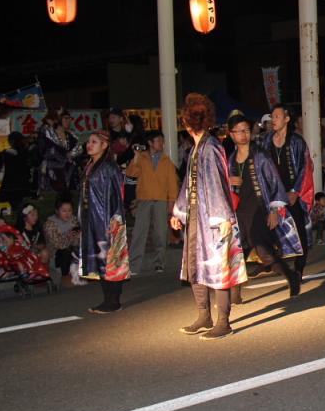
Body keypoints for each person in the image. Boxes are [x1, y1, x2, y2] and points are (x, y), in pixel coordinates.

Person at [171, 93, 248, 340]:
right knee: (195, 264)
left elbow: (217, 184)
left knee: (218, 265)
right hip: (198, 216)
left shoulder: (210, 147)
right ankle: (204, 315)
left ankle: (223, 321)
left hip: (213, 218)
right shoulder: (198, 147)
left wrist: (223, 217)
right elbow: (188, 184)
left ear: (188, 121)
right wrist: (179, 211)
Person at [227, 114, 301, 300]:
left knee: (262, 248)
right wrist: (228, 181)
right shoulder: (231, 159)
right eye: (238, 131)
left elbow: (274, 182)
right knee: (239, 250)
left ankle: (290, 275)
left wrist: (275, 210)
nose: (243, 134)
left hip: (259, 209)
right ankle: (235, 291)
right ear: (231, 135)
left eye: (246, 130)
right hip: (239, 211)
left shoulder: (260, 155)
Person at [258, 104, 314, 278]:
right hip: (273, 193)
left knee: (298, 229)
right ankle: (271, 261)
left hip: (291, 193)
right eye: (272, 117)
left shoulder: (297, 141)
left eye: (276, 116)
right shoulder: (265, 140)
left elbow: (305, 167)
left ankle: (298, 269)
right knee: (268, 228)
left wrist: (296, 191)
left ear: (286, 119)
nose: (272, 120)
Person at [77, 130, 130, 314]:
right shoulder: (91, 165)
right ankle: (108, 299)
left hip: (107, 219)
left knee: (111, 259)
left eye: (94, 142)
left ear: (104, 145)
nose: (89, 145)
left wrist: (115, 219)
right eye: (88, 142)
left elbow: (117, 194)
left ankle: (113, 301)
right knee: (101, 259)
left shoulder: (109, 167)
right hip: (93, 219)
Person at [124, 130, 178, 275]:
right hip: (144, 199)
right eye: (159, 140)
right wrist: (135, 158)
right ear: (150, 143)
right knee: (139, 233)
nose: (162, 143)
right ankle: (134, 266)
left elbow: (172, 184)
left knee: (161, 233)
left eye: (162, 140)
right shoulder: (141, 158)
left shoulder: (167, 161)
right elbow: (131, 174)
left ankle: (159, 263)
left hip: (161, 200)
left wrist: (171, 203)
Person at [36, 110, 78, 195]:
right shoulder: (47, 135)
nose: (69, 121)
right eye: (66, 118)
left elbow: (78, 152)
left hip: (69, 176)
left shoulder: (71, 136)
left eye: (70, 118)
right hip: (50, 174)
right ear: (56, 119)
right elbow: (42, 153)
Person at [43, 197, 82, 285]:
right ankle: (65, 277)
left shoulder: (73, 220)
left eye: (69, 210)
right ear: (57, 211)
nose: (67, 214)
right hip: (57, 254)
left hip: (72, 249)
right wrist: (69, 236)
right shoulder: (50, 224)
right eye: (64, 211)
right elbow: (58, 245)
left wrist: (78, 236)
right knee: (66, 251)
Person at [0, 132, 33, 213]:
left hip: (9, 186)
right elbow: (30, 169)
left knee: (16, 208)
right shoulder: (26, 153)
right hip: (23, 186)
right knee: (23, 208)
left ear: (10, 142)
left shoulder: (4, 154)